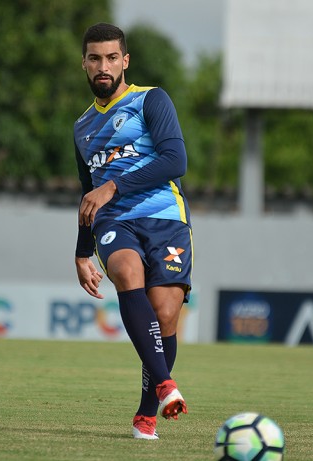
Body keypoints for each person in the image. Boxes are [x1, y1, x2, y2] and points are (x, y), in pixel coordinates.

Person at [73, 23, 192, 440]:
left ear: (124, 61)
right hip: (114, 221)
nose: (102, 66)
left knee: (165, 314)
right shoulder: (82, 126)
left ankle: (146, 413)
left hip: (165, 216)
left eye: (110, 58)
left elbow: (175, 160)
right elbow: (89, 193)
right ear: (84, 64)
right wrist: (82, 252)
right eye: (94, 58)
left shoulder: (150, 101)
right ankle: (165, 385)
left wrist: (114, 185)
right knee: (125, 272)